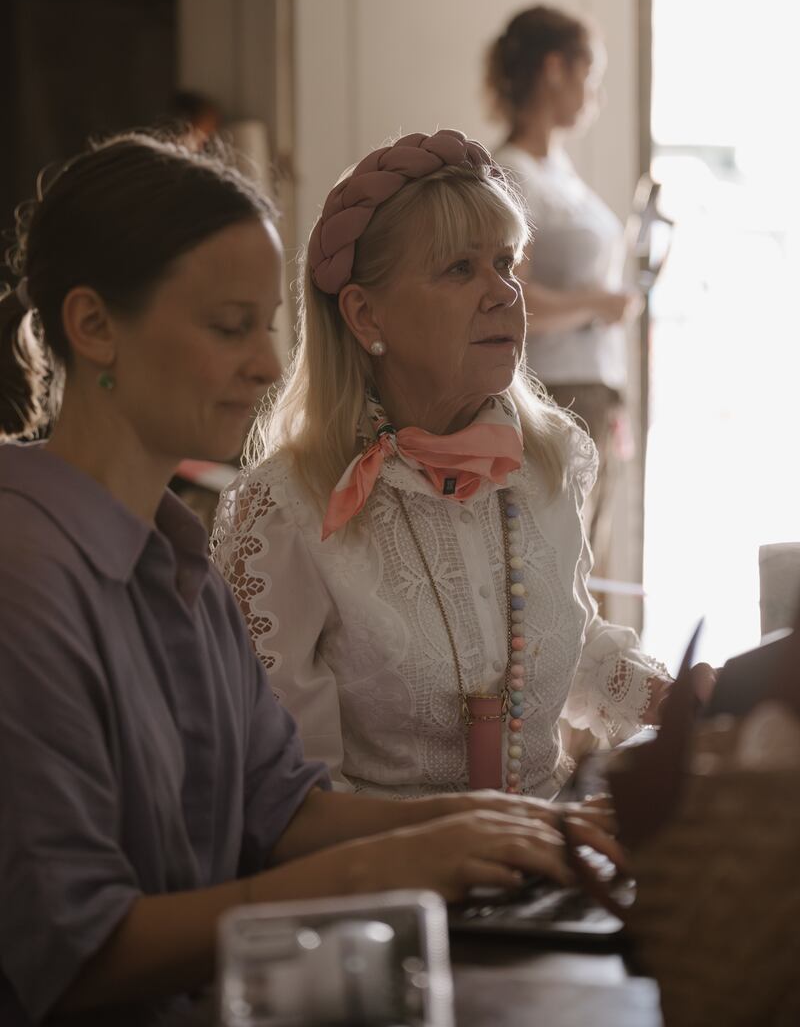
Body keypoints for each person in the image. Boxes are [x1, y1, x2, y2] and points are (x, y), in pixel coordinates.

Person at [0, 133, 614, 1026]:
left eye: (264, 325)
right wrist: (386, 869)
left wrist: (517, 830)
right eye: (227, 326)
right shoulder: (25, 582)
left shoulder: (175, 566)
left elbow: (282, 811)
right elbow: (80, 956)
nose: (262, 363)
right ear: (94, 326)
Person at [212, 128, 683, 803]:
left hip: (545, 865)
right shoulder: (288, 508)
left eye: (506, 263)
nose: (503, 293)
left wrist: (676, 697)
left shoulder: (545, 463)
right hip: (391, 892)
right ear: (365, 312)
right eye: (460, 269)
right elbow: (291, 797)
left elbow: (561, 643)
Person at [487, 6, 644, 574]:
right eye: (591, 78)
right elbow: (512, 299)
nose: (595, 97)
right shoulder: (514, 173)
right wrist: (598, 306)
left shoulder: (558, 169)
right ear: (555, 70)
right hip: (557, 391)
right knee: (561, 565)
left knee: (586, 558)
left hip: (592, 388)